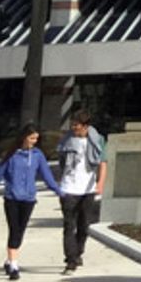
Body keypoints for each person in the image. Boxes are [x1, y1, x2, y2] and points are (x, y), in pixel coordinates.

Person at [0, 123, 62, 280]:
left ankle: (9, 260)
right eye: (31, 138)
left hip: (29, 199)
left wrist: (59, 192)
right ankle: (14, 266)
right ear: (24, 137)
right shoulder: (11, 156)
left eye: (36, 138)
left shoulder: (38, 155)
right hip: (12, 199)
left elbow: (47, 176)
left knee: (20, 231)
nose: (34, 141)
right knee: (14, 231)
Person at [55, 112, 108, 272]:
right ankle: (70, 260)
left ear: (85, 126)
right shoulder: (67, 140)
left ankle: (78, 252)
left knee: (84, 226)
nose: (73, 128)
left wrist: (100, 183)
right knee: (68, 224)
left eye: (76, 125)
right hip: (68, 188)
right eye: (72, 125)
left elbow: (103, 163)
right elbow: (62, 161)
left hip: (88, 189)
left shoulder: (97, 140)